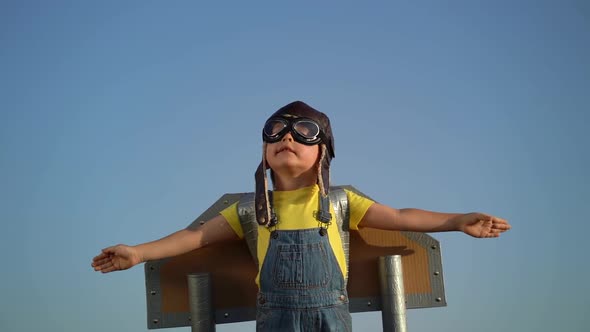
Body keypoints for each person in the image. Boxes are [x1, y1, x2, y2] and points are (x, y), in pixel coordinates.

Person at [92, 101, 511, 331]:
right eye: (276, 131)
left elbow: (402, 216)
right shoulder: (249, 210)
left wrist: (458, 220)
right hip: (273, 318)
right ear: (264, 154)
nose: (287, 137)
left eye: (303, 132)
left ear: (322, 153)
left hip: (332, 315)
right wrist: (139, 252)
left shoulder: (341, 201)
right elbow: (194, 238)